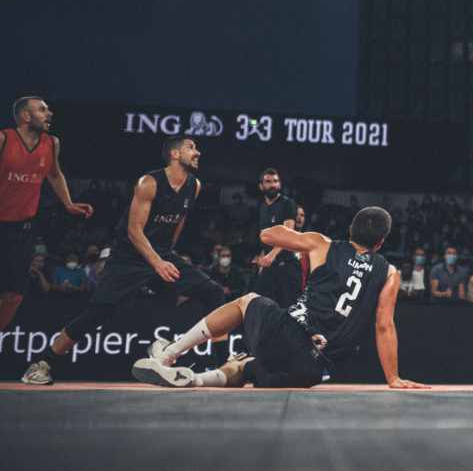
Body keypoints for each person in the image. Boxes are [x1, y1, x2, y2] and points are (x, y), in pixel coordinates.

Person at [131, 207, 428, 390]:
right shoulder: (389, 272)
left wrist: (295, 232)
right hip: (313, 371)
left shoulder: (321, 243)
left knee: (246, 301)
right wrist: (393, 378)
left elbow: (266, 236)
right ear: (381, 242)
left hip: (292, 335)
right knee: (246, 367)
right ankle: (194, 380)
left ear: (350, 230)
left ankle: (170, 352)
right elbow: (384, 326)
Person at [21, 136, 226, 385]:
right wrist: (157, 263)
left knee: (213, 292)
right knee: (99, 312)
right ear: (174, 154)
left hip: (161, 252)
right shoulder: (148, 182)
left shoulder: (194, 186)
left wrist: (167, 255)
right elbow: (134, 231)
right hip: (129, 256)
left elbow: (179, 220)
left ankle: (222, 365)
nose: (198, 152)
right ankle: (42, 363)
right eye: (191, 148)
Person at [0, 97, 93, 331]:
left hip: (21, 228)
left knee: (14, 295)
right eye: (42, 110)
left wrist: (68, 203)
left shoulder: (52, 143)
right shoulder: (3, 139)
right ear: (25, 116)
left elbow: (54, 174)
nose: (49, 113)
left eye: (48, 109)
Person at [251, 168, 300, 307]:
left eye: (276, 181)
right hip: (269, 265)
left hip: (287, 265)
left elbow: (288, 233)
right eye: (268, 182)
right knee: (257, 302)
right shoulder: (261, 206)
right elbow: (264, 239)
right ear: (261, 186)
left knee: (288, 307)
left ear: (280, 185)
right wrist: (262, 259)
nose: (273, 185)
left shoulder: (287, 203)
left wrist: (272, 255)